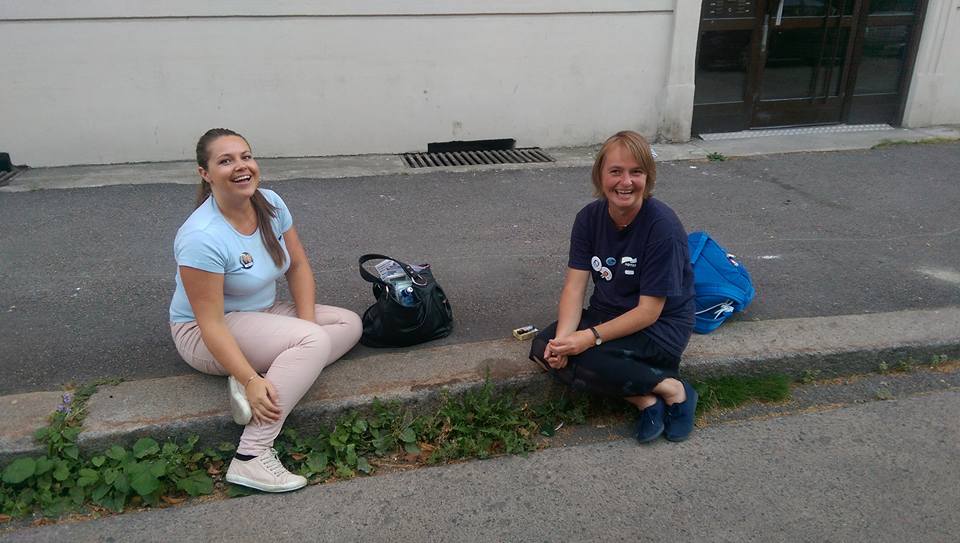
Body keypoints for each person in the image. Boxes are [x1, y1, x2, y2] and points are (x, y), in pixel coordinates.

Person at [169, 128, 362, 492]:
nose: (241, 167)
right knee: (311, 342)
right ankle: (251, 456)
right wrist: (251, 380)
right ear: (205, 173)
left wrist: (307, 328)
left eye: (246, 156)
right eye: (225, 161)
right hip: (203, 333)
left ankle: (275, 365)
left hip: (263, 313)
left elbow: (298, 267)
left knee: (348, 324)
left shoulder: (270, 203)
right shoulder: (201, 236)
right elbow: (209, 323)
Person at [529, 130, 698, 443]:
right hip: (607, 315)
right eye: (616, 171)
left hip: (658, 330)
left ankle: (675, 390)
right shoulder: (588, 219)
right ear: (600, 175)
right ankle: (647, 399)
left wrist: (588, 338)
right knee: (544, 347)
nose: (626, 182)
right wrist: (566, 340)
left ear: (648, 177)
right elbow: (574, 288)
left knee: (588, 357)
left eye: (636, 172)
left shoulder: (663, 227)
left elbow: (649, 312)